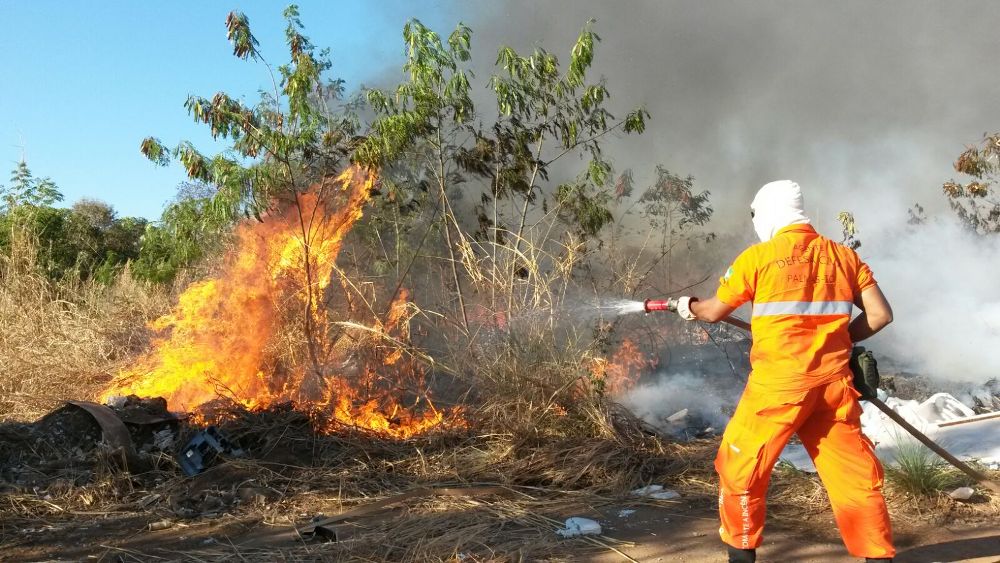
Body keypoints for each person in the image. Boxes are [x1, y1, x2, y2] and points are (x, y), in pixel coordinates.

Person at [673, 180, 895, 562]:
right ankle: (877, 556)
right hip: (832, 387)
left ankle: (741, 557)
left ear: (769, 213)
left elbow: (712, 312)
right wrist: (840, 338)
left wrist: (688, 305)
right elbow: (879, 315)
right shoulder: (844, 257)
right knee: (854, 478)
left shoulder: (757, 258)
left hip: (778, 389)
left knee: (740, 470)